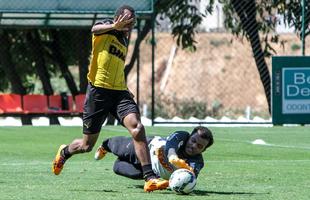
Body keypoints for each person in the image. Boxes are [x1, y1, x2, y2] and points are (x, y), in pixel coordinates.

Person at [52, 5, 168, 192]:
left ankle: (150, 177)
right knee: (86, 145)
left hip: (119, 92)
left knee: (137, 129)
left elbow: (115, 68)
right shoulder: (106, 28)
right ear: (118, 17)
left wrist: (126, 89)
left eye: (132, 21)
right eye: (127, 19)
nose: (130, 24)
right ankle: (65, 152)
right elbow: (94, 29)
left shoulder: (123, 39)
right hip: (98, 92)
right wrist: (115, 25)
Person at [94, 126, 214, 180]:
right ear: (189, 136)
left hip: (151, 170)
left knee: (118, 168)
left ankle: (120, 161)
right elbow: (171, 145)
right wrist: (173, 156)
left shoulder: (197, 161)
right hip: (147, 147)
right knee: (120, 147)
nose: (193, 146)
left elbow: (191, 175)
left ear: (203, 150)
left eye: (199, 146)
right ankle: (105, 145)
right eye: (193, 141)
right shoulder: (182, 135)